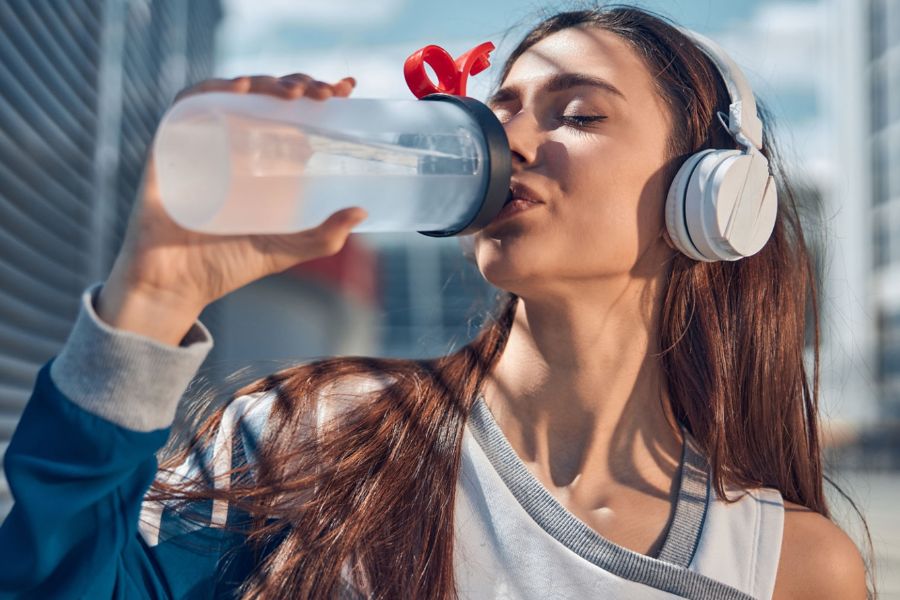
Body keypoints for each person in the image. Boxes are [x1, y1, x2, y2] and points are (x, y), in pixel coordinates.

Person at [0, 5, 873, 600]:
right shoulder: (305, 438)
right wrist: (152, 296)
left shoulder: (785, 566)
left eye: (576, 114)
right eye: (501, 112)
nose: (512, 142)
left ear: (712, 196)